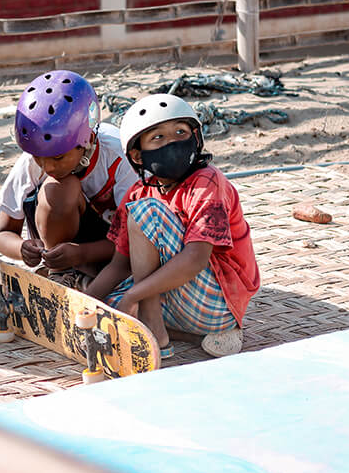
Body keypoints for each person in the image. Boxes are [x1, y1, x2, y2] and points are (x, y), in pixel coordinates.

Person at [85, 93, 260, 358]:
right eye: (158, 138)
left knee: (148, 214)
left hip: (219, 301)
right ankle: (188, 334)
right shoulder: (138, 191)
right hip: (181, 302)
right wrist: (85, 304)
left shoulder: (207, 182)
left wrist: (134, 296)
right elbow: (119, 265)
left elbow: (195, 259)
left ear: (195, 139)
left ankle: (155, 326)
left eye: (180, 132)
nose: (173, 143)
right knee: (109, 306)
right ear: (138, 156)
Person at [0, 71, 138, 289]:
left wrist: (82, 253)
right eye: (38, 158)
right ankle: (62, 274)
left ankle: (86, 273)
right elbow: (2, 233)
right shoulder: (32, 159)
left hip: (115, 251)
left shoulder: (118, 156)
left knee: (65, 187)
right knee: (60, 188)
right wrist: (21, 248)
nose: (48, 166)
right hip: (59, 249)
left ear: (88, 139)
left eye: (58, 157)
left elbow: (138, 240)